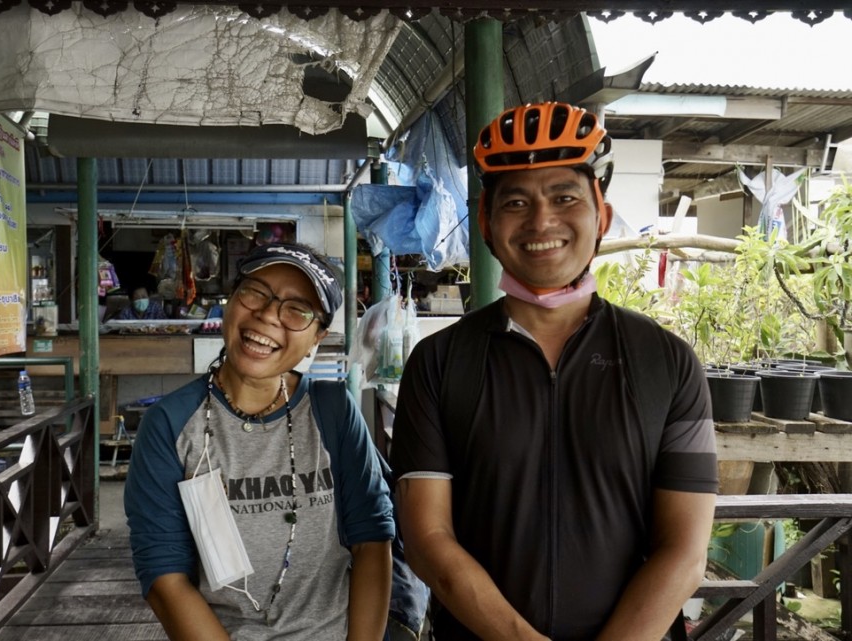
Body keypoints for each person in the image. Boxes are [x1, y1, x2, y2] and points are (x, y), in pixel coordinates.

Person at [390, 102, 718, 641]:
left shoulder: (668, 361)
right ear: (487, 224)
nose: (542, 221)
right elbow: (428, 538)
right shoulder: (439, 363)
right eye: (516, 202)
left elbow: (684, 553)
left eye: (564, 197)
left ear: (601, 216)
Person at [125, 242, 394, 641]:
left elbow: (371, 541)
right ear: (230, 301)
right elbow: (166, 578)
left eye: (297, 309)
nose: (268, 316)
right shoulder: (170, 424)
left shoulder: (333, 412)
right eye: (255, 292)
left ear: (317, 337)